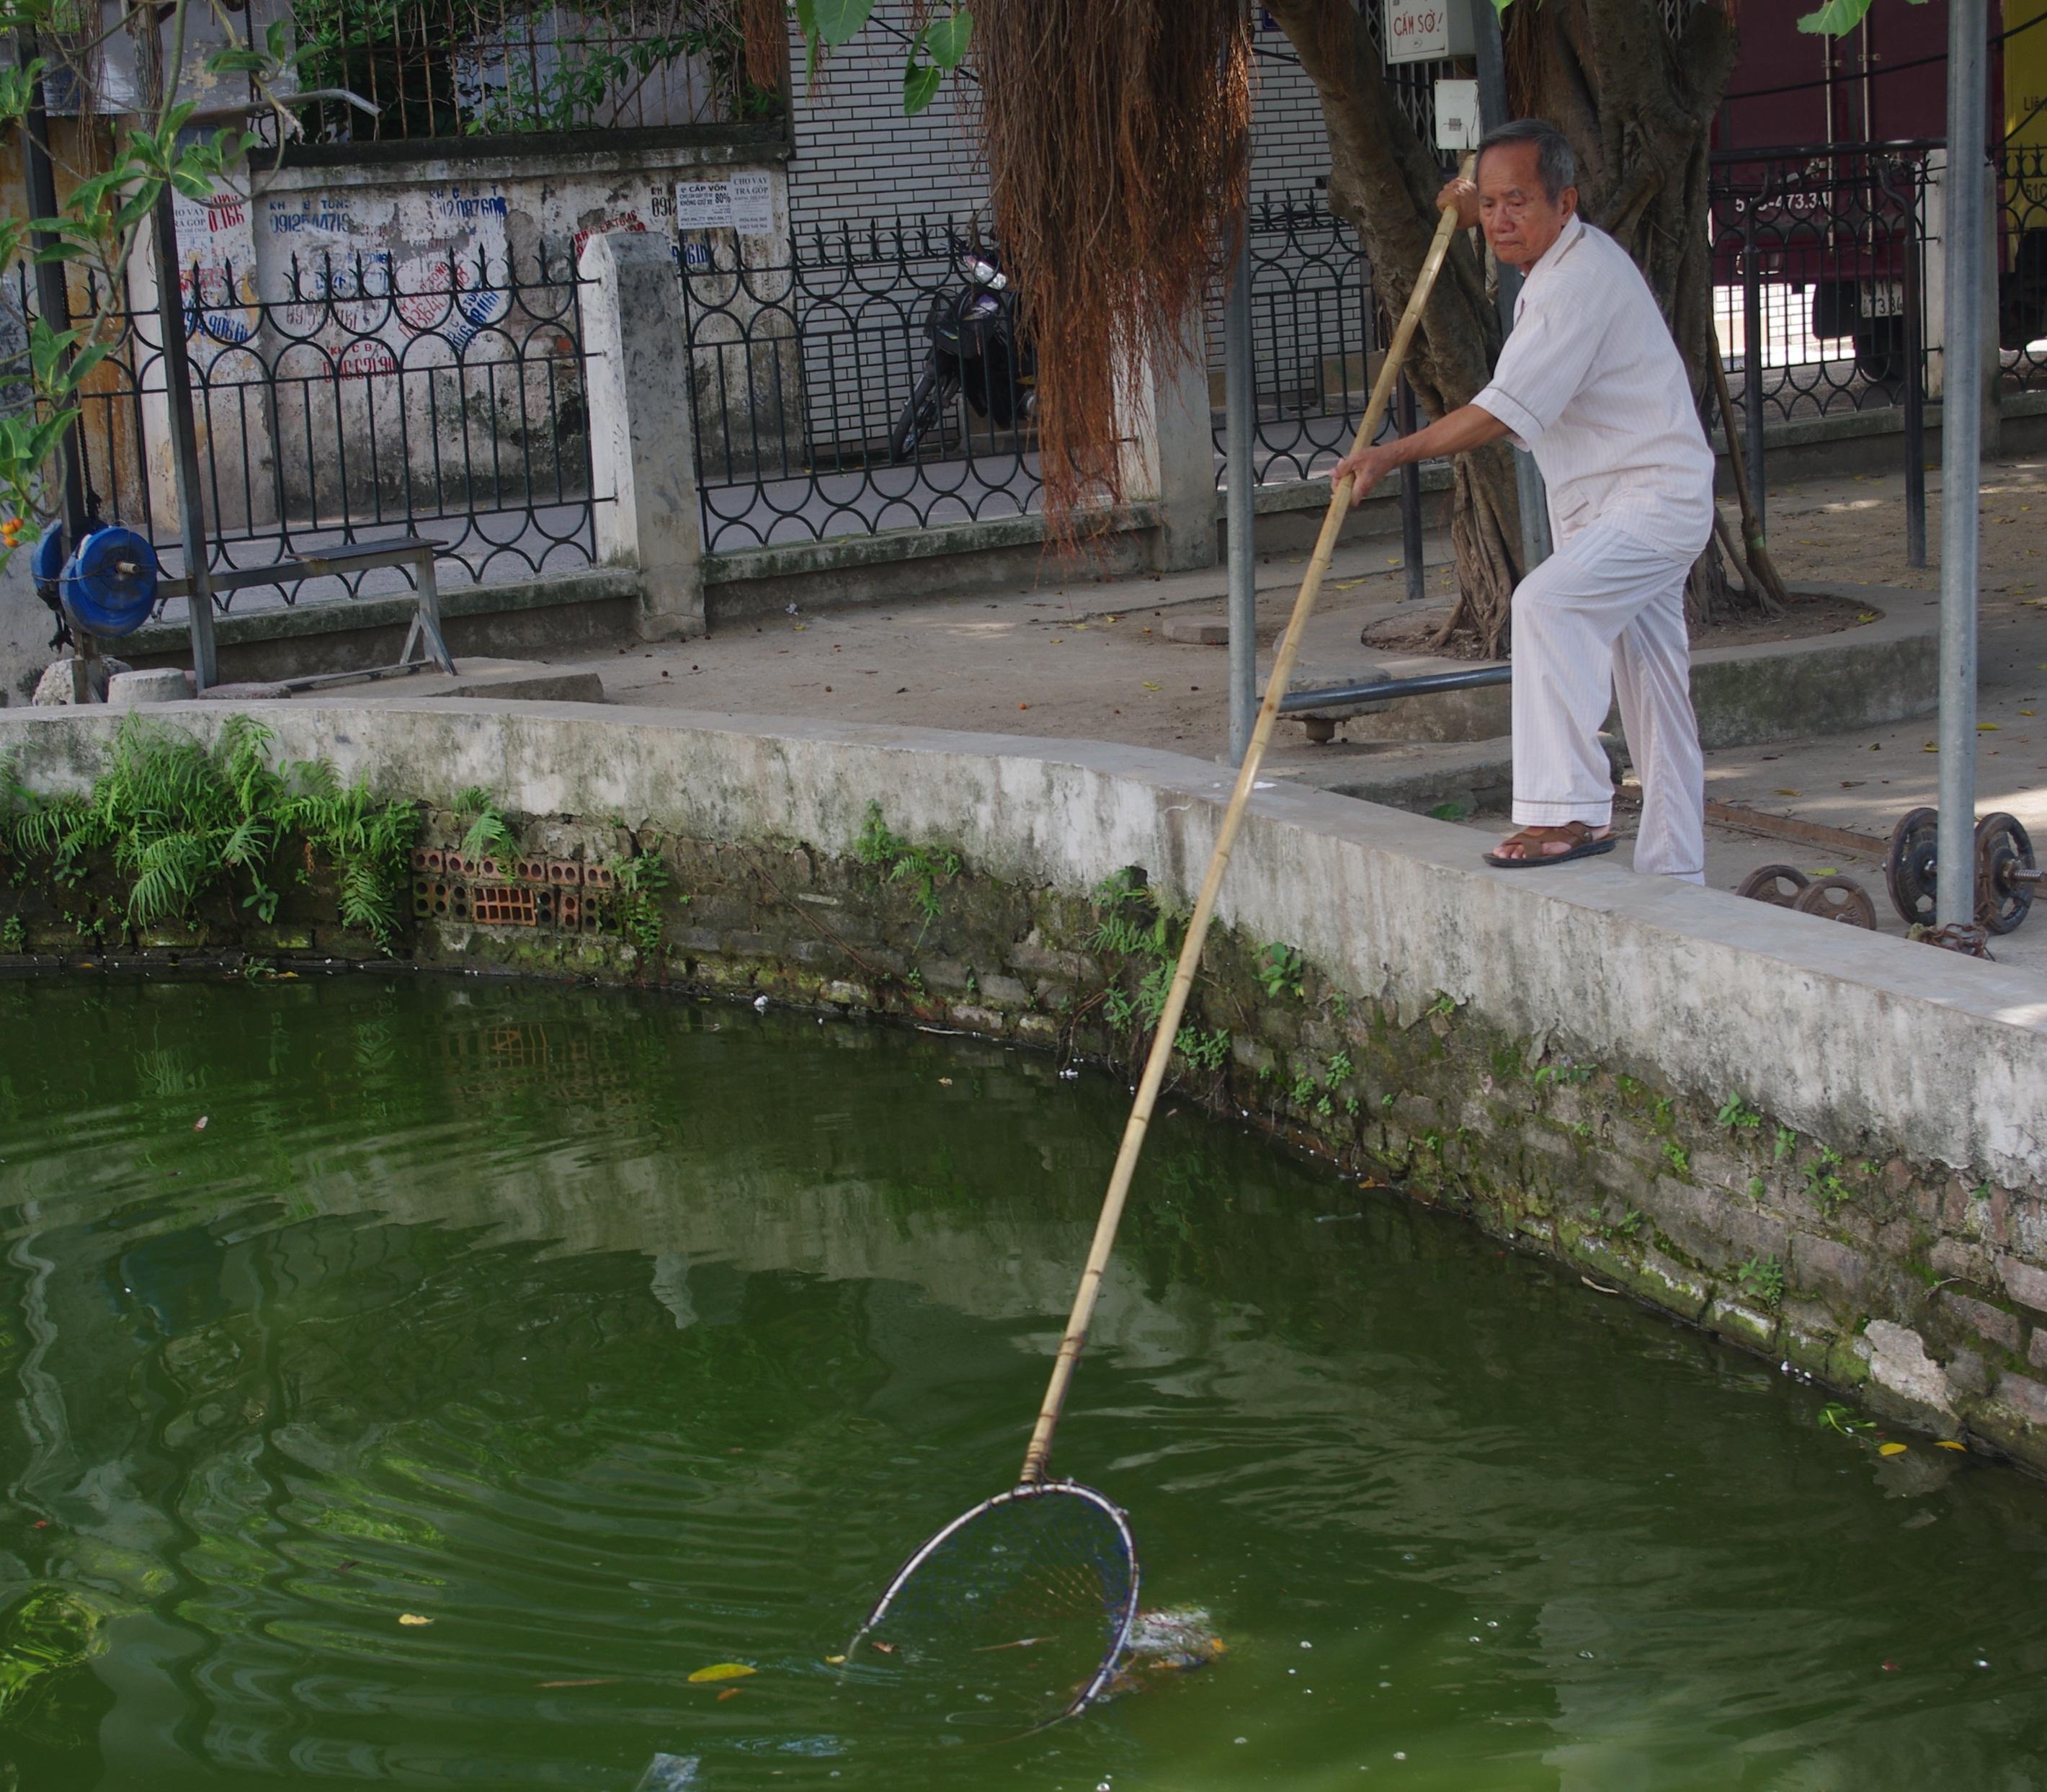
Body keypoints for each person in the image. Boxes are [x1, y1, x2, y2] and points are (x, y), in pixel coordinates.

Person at [1331, 118, 1713, 880]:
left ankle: (1567, 811)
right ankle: (1677, 872)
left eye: (1519, 203)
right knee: (1654, 691)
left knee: (1545, 605)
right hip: (1613, 504)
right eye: (1492, 204)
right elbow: (1500, 210)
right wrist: (1473, 208)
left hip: (1651, 502)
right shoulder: (1563, 255)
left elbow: (1501, 412)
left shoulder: (1576, 283)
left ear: (1565, 202)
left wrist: (1390, 453)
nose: (1502, 220)